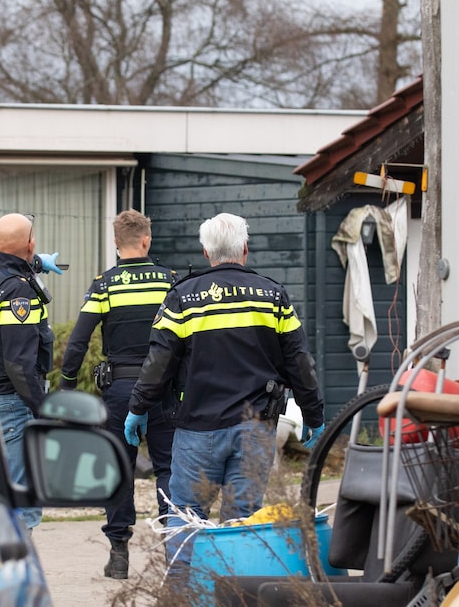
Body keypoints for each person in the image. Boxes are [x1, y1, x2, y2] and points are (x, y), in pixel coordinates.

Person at [124, 212, 324, 583]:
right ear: (245, 249)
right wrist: (312, 412)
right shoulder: (272, 295)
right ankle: (234, 595)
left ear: (205, 252)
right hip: (255, 431)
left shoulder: (182, 296)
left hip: (198, 430)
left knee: (186, 521)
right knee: (243, 524)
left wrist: (138, 408)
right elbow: (300, 362)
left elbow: (158, 363)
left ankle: (182, 597)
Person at [58, 209, 177, 580]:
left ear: (115, 243)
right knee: (168, 468)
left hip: (120, 390)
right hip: (164, 390)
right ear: (146, 240)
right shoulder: (169, 282)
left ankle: (119, 554)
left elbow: (79, 339)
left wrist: (67, 384)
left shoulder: (104, 285)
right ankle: (174, 551)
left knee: (118, 468)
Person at [0, 213, 61, 532]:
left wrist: (33, 267)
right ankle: (16, 574)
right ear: (31, 245)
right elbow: (18, 364)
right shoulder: (17, 292)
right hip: (11, 403)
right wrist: (41, 408)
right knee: (21, 504)